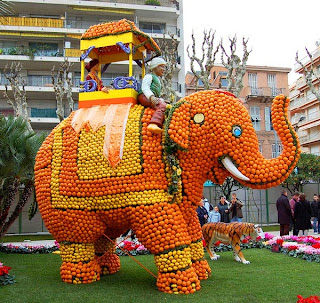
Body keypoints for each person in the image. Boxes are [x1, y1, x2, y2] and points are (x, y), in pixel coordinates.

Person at [138, 57, 167, 134]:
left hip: (151, 97)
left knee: (164, 104)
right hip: (144, 96)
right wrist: (151, 97)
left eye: (164, 67)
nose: (164, 69)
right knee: (161, 105)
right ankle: (154, 123)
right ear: (155, 67)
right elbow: (145, 88)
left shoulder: (157, 79)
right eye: (162, 66)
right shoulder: (149, 76)